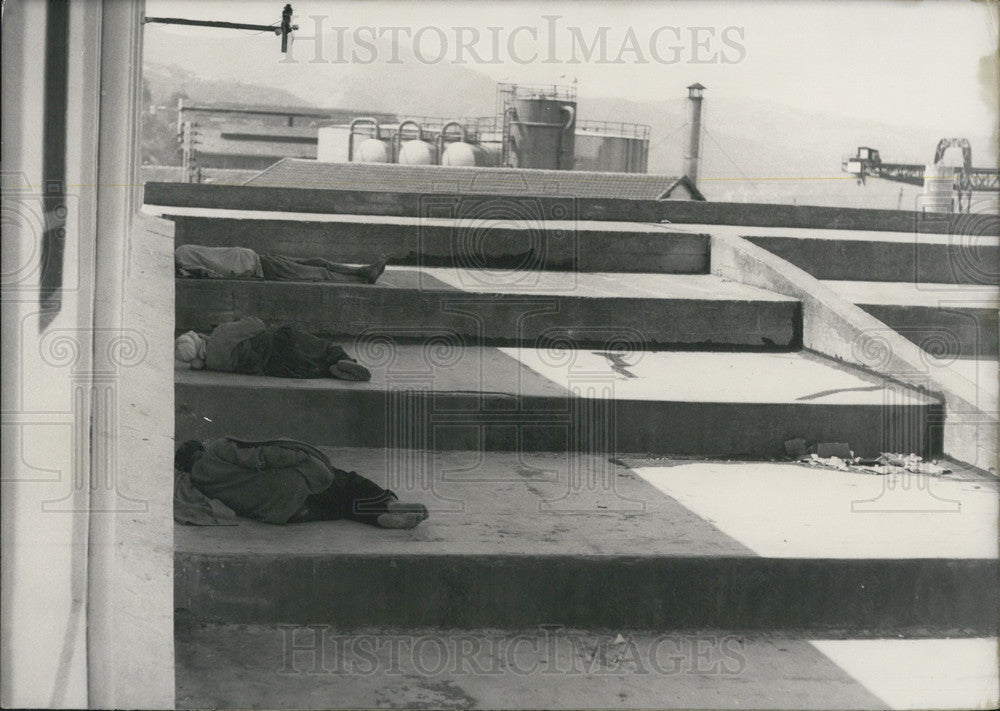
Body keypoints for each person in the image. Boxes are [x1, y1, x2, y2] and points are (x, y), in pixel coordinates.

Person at [174, 437, 428, 529]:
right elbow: (261, 456)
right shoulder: (218, 449)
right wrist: (302, 457)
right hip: (297, 485)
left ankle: (380, 519)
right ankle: (388, 503)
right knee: (347, 483)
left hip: (285, 514)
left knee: (342, 507)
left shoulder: (197, 484)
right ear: (201, 448)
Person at [174, 316, 371, 381]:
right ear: (197, 337)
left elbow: (200, 362)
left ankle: (331, 370)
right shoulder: (220, 333)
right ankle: (342, 360)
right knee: (324, 347)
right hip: (277, 343)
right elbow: (257, 324)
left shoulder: (213, 364)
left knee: (312, 366)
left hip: (276, 366)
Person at [175, 244, 387, 284]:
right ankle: (360, 277)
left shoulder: (182, 253)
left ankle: (363, 271)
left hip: (260, 260)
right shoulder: (183, 258)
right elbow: (207, 275)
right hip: (261, 268)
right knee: (318, 271)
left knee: (318, 264)